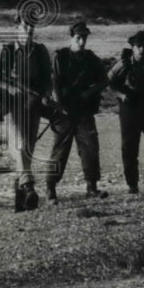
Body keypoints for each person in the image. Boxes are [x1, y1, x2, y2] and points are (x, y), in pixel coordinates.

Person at [0, 13, 53, 211]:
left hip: (32, 103)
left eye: (32, 26)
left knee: (27, 149)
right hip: (10, 104)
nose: (29, 30)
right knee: (20, 144)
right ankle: (29, 187)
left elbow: (47, 78)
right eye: (25, 25)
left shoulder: (40, 51)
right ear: (17, 26)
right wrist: (8, 88)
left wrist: (47, 94)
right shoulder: (6, 51)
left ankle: (22, 199)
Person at [45, 20, 109, 203]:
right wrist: (59, 104)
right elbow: (54, 81)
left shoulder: (91, 58)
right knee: (60, 150)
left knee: (90, 147)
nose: (82, 42)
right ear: (72, 37)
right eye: (79, 38)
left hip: (84, 111)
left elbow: (104, 80)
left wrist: (88, 92)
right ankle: (50, 188)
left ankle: (92, 188)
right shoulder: (60, 56)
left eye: (85, 38)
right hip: (63, 112)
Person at [108, 29, 144, 194]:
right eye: (139, 46)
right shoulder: (124, 64)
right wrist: (121, 94)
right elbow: (109, 81)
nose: (142, 49)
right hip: (129, 107)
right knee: (129, 146)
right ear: (133, 48)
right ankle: (132, 183)